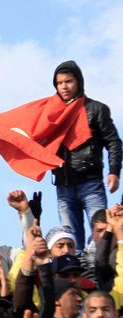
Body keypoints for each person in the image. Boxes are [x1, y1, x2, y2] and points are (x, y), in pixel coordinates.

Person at [51, 61, 122, 252]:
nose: (64, 87)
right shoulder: (51, 113)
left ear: (79, 82)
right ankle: (77, 278)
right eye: (59, 83)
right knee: (70, 240)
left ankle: (101, 277)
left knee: (100, 235)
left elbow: (113, 141)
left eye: (68, 81)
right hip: (63, 186)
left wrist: (114, 171)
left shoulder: (96, 109)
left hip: (90, 184)